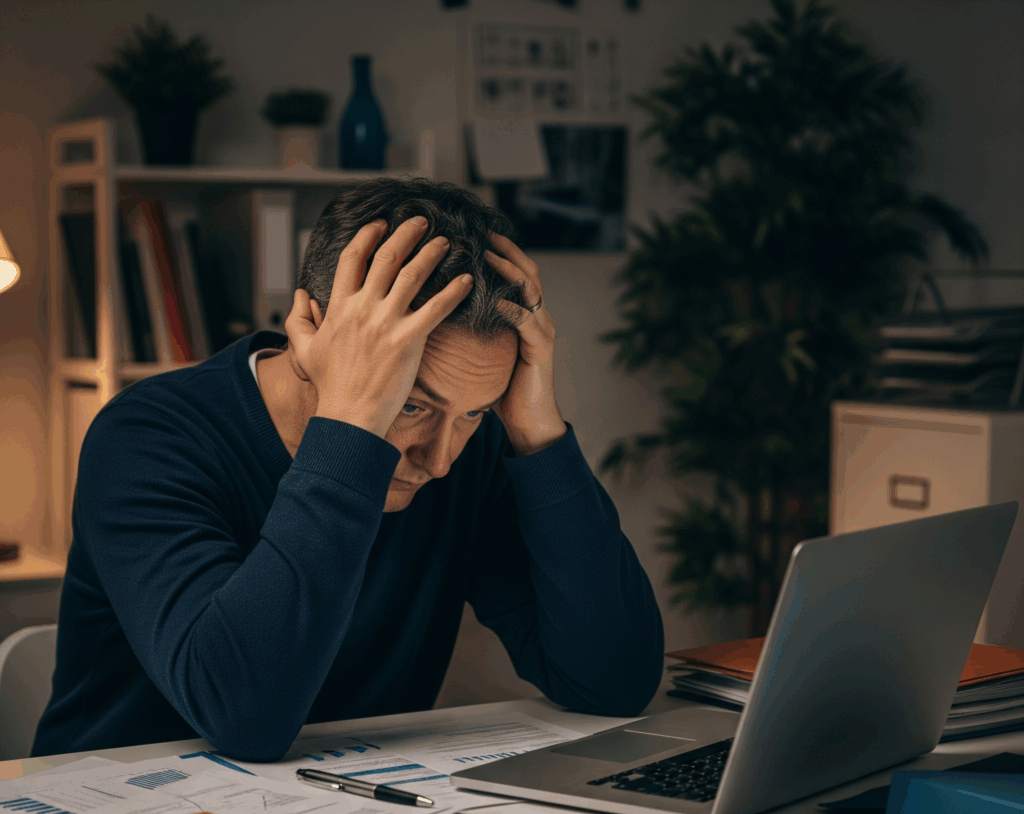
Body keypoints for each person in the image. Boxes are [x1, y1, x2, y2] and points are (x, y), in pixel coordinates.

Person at [32, 178, 664, 762]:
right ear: (314, 336)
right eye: (411, 403)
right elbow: (244, 716)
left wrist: (537, 434)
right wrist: (354, 423)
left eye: (473, 412)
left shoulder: (464, 456)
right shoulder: (146, 437)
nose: (438, 460)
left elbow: (613, 682)